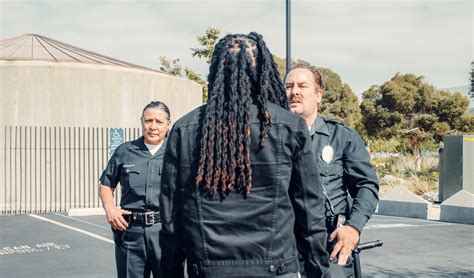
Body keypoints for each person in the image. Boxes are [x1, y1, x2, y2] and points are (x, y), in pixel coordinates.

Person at [159, 33, 330, 278]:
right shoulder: (289, 126)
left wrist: (171, 272)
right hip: (276, 269)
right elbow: (310, 214)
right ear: (262, 72)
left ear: (216, 70)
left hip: (208, 270)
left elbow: (171, 219)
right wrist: (319, 272)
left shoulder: (184, 129)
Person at [285, 62, 379, 276]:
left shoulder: (342, 137)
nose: (295, 92)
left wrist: (353, 227)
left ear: (318, 95)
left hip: (331, 245)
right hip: (286, 248)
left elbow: (366, 186)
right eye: (289, 86)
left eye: (302, 86)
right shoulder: (270, 139)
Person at [99, 101, 171, 278]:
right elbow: (106, 184)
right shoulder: (125, 151)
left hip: (165, 233)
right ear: (141, 122)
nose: (153, 127)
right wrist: (110, 208)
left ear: (168, 124)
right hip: (131, 233)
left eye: (159, 122)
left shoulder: (176, 152)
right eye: (148, 121)